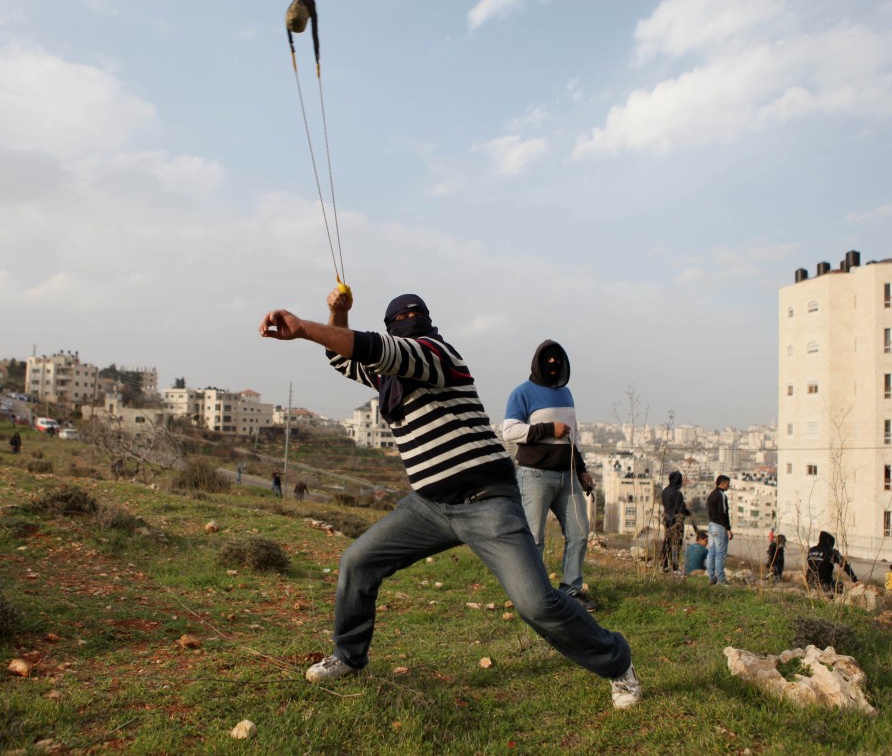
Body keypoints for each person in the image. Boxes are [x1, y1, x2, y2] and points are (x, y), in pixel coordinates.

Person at [259, 289, 640, 709]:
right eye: (401, 318)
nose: (409, 321)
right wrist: (337, 313)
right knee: (357, 561)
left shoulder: (436, 353)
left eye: (414, 316)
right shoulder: (387, 379)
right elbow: (343, 354)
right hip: (429, 506)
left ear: (423, 323)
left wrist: (303, 328)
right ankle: (349, 656)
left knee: (537, 604)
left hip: (487, 501)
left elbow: (373, 347)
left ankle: (618, 663)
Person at [502, 340, 598, 611]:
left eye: (559, 360)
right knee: (533, 538)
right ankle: (531, 595)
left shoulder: (566, 394)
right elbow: (509, 430)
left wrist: (582, 469)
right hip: (535, 476)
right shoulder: (523, 392)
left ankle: (572, 591)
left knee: (580, 534)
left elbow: (573, 438)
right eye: (548, 360)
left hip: (568, 477)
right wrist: (547, 429)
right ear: (537, 362)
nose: (553, 365)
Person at [659, 471, 691, 573]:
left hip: (667, 519)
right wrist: (686, 512)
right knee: (676, 543)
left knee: (667, 542)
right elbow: (680, 508)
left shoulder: (664, 491)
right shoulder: (677, 493)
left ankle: (664, 565)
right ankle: (674, 566)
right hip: (676, 521)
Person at [705, 475, 732, 585]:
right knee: (720, 553)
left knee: (712, 552)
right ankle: (721, 578)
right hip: (719, 526)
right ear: (723, 483)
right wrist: (728, 528)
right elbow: (723, 513)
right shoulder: (722, 495)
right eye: (727, 484)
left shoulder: (711, 494)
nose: (728, 486)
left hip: (711, 524)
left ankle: (712, 576)